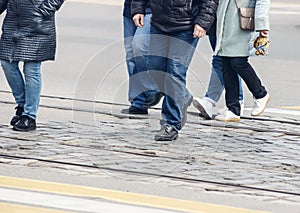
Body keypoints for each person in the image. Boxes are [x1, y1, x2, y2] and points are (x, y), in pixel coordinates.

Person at [131, 0, 218, 141]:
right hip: (159, 22)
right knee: (155, 69)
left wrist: (203, 22)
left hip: (187, 25)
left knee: (174, 74)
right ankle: (182, 95)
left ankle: (171, 124)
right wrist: (138, 9)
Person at [0, 0, 64, 131]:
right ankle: (22, 105)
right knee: (7, 63)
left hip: (37, 24)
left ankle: (30, 116)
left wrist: (43, 11)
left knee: (31, 69)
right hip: (13, 22)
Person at [214, 0, 270, 122]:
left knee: (238, 62)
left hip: (242, 21)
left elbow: (263, 2)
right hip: (225, 22)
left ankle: (260, 94)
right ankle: (233, 109)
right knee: (226, 65)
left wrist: (262, 24)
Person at [193, 33, 244, 119]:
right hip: (217, 24)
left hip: (227, 25)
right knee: (227, 59)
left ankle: (210, 101)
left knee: (223, 58)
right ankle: (237, 101)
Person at [121, 0, 159, 115]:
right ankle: (139, 101)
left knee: (139, 47)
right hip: (130, 7)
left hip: (151, 8)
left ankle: (154, 89)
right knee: (131, 55)